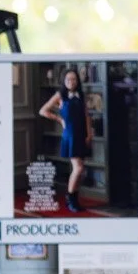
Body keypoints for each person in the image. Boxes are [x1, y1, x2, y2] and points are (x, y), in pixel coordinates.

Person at [38, 67, 92, 212]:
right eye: (68, 79)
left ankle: (74, 198)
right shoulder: (59, 95)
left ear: (77, 81)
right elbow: (43, 111)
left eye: (74, 79)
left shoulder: (81, 94)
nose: (71, 81)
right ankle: (70, 200)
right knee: (78, 167)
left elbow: (86, 115)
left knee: (80, 169)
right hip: (70, 135)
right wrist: (59, 119)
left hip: (82, 134)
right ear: (64, 81)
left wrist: (89, 133)